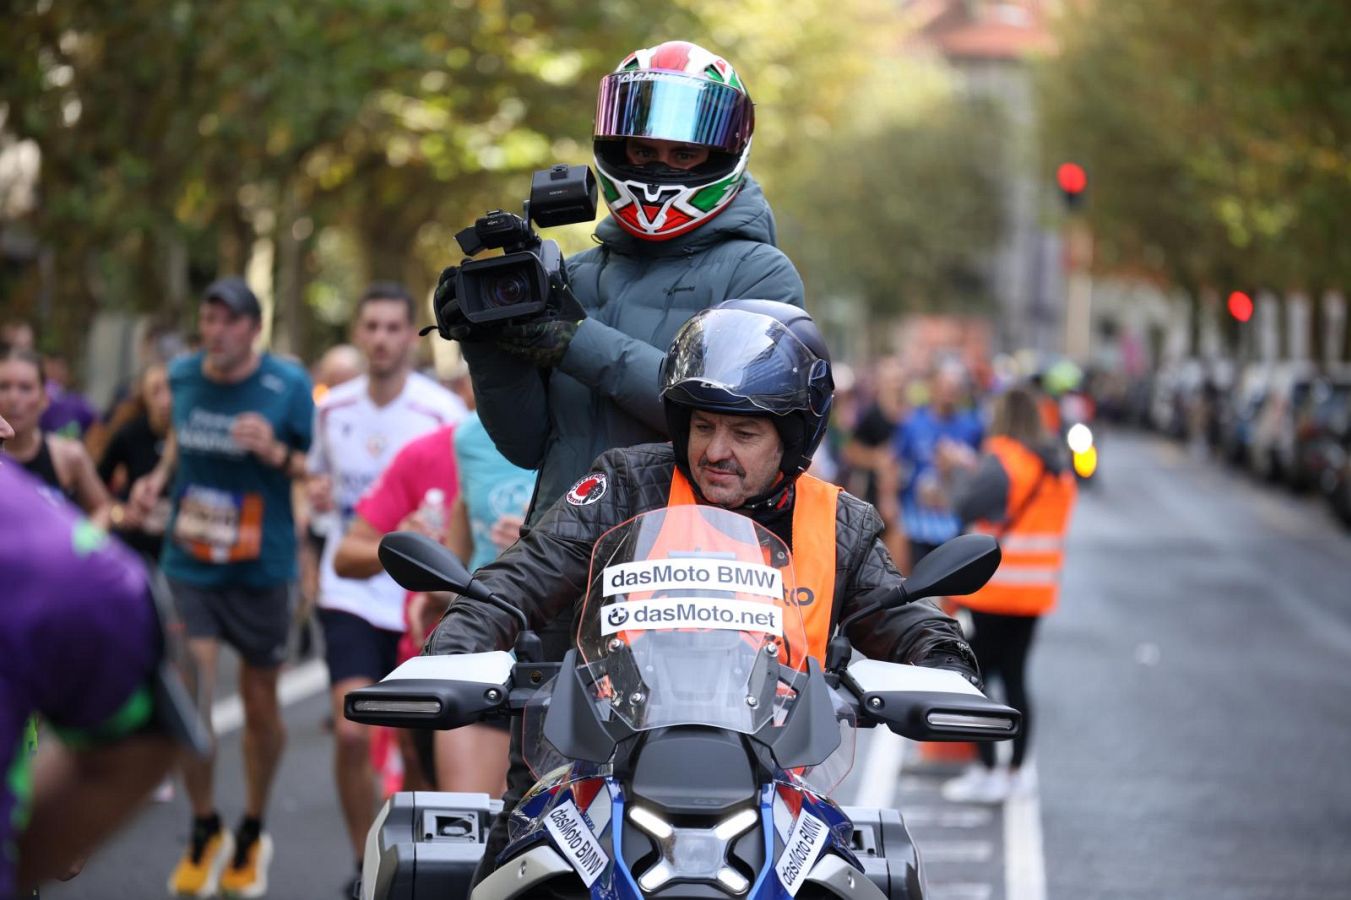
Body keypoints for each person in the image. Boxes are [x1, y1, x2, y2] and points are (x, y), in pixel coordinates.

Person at [421, 301, 980, 884]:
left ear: (792, 438)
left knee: (875, 882)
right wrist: (455, 652)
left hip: (779, 791)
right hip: (606, 772)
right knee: (513, 870)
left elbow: (901, 615)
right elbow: (522, 575)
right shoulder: (624, 486)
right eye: (703, 426)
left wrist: (943, 668)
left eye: (743, 432)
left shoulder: (839, 524)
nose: (716, 451)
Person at [128, 276, 314, 899]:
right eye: (209, 319)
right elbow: (180, 438)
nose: (217, 331)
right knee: (193, 696)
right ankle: (205, 823)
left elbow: (307, 468)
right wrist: (157, 478)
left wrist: (274, 454)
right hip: (191, 564)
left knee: (261, 708)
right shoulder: (181, 377)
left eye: (230, 321)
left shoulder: (287, 386)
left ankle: (252, 826)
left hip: (262, 567)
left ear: (253, 329)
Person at [305, 283, 466, 893]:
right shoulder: (331, 409)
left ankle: (412, 865)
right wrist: (315, 501)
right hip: (350, 588)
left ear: (410, 335)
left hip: (417, 599)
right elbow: (315, 485)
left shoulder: (442, 416)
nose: (380, 338)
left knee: (413, 744)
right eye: (369, 326)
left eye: (393, 327)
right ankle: (360, 864)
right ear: (357, 330)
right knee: (351, 731)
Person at [0, 449, 202, 898]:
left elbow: (105, 509)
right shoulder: (45, 555)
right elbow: (149, 732)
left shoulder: (61, 475)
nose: (8, 424)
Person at [940, 386, 1077, 804]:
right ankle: (1017, 773)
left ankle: (986, 770)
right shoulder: (1057, 468)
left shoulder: (1004, 461)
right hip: (1035, 593)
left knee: (975, 682)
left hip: (994, 592)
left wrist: (960, 467)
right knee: (1016, 680)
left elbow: (962, 505)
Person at [0, 345, 112, 521]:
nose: (14, 398)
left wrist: (81, 542)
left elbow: (104, 509)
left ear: (44, 398)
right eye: (4, 387)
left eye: (25, 388)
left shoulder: (68, 456)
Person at [893, 363, 984, 564]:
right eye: (945, 386)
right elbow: (895, 463)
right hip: (918, 523)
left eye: (955, 388)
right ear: (933, 387)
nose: (949, 392)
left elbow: (982, 471)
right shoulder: (912, 424)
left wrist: (962, 462)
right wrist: (891, 502)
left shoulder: (973, 426)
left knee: (950, 587)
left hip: (954, 522)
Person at [96, 362, 174, 561]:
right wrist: (118, 512)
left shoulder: (194, 436)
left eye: (172, 389)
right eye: (155, 391)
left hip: (182, 548)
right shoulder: (129, 434)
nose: (165, 400)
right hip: (138, 547)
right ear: (144, 396)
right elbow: (95, 486)